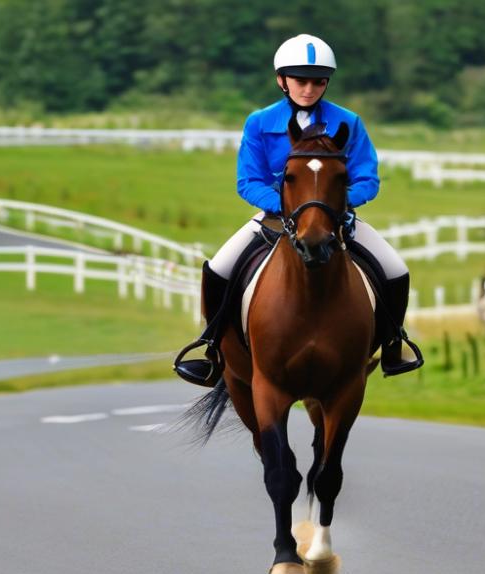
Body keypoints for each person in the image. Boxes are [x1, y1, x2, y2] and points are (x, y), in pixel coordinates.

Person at [174, 34, 423, 387]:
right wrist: (291, 206)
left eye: (318, 81)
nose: (308, 89)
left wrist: (334, 204)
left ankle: (394, 343)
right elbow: (248, 181)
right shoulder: (259, 123)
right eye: (300, 80)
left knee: (396, 269)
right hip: (275, 216)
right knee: (218, 268)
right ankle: (211, 347)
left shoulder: (349, 122)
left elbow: (368, 177)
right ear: (282, 80)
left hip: (335, 217)